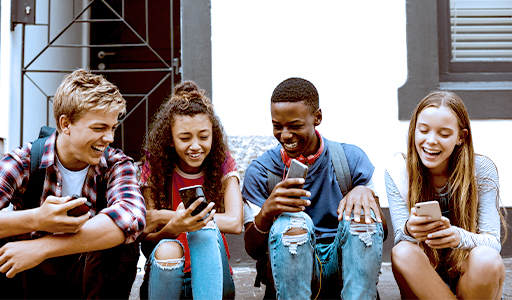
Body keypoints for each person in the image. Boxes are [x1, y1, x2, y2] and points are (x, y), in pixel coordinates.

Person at [0, 69, 146, 299]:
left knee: (123, 238)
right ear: (66, 123)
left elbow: (132, 216)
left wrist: (42, 248)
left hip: (87, 281)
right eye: (99, 128)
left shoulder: (116, 164)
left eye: (112, 128)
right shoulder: (25, 161)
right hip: (31, 281)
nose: (109, 138)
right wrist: (38, 218)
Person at [242, 77, 385, 299]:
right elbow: (252, 250)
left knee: (362, 214)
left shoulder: (351, 159)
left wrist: (365, 194)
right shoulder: (261, 171)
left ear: (317, 117)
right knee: (292, 223)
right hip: (290, 270)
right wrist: (267, 212)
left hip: (344, 265)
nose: (285, 135)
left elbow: (380, 232)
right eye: (277, 126)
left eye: (295, 126)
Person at [385, 90, 507, 299]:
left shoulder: (482, 170)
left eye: (443, 134)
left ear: (461, 137)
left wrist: (458, 237)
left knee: (487, 257)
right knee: (402, 251)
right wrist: (410, 229)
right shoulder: (399, 172)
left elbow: (493, 242)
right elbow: (400, 239)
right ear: (414, 130)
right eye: (423, 130)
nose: (431, 141)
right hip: (425, 281)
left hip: (472, 280)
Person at [138, 80, 243, 299]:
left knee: (203, 231)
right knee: (169, 247)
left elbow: (234, 222)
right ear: (170, 139)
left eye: (204, 137)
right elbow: (146, 236)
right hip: (166, 274)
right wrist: (173, 227)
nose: (195, 146)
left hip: (214, 278)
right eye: (185, 138)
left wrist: (165, 216)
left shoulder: (222, 161)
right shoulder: (154, 165)